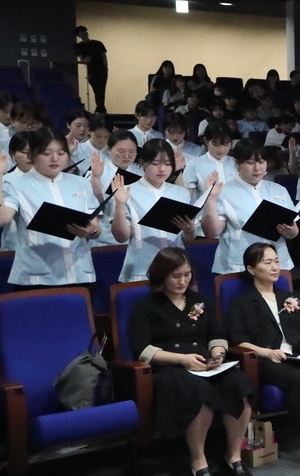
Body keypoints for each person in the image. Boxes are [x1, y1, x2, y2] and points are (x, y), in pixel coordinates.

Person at [127, 248, 254, 476]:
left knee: (238, 384)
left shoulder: (200, 301)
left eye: (186, 275)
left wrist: (218, 354)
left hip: (205, 363)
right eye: (176, 276)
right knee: (198, 392)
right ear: (161, 276)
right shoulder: (147, 306)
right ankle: (198, 460)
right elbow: (142, 350)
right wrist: (182, 359)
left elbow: (217, 335)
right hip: (169, 368)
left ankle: (234, 455)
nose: (182, 281)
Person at [226, 243, 300, 471]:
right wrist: (267, 352)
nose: (274, 267)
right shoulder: (241, 303)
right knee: (296, 378)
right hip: (267, 359)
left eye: (276, 261)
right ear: (251, 269)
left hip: (296, 355)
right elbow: (238, 341)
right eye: (267, 262)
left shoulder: (287, 297)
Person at [0, 129, 104, 286]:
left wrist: (91, 231)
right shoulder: (15, 183)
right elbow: (3, 219)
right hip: (35, 276)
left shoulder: (80, 183)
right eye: (46, 153)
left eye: (61, 153)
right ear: (32, 156)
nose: (55, 159)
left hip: (79, 273)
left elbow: (95, 228)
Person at [202, 141, 299, 275]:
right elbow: (212, 232)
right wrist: (211, 199)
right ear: (237, 163)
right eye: (250, 162)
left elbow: (294, 231)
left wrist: (291, 231)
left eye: (261, 161)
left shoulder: (279, 190)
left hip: (276, 265)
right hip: (238, 265)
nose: (257, 168)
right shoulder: (223, 191)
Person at [112, 139, 200, 282]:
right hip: (141, 267)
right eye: (155, 163)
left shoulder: (181, 193)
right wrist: (119, 205)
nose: (162, 169)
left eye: (167, 164)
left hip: (177, 269)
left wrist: (189, 230)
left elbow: (187, 238)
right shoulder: (127, 191)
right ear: (143, 162)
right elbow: (121, 237)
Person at [74, 26, 108, 113]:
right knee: (97, 90)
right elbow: (82, 59)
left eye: (85, 31)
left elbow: (103, 56)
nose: (84, 33)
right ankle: (101, 108)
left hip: (101, 70)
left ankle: (100, 109)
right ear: (78, 35)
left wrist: (106, 68)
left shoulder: (98, 43)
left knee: (101, 90)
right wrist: (86, 60)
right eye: (81, 32)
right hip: (91, 71)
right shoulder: (79, 46)